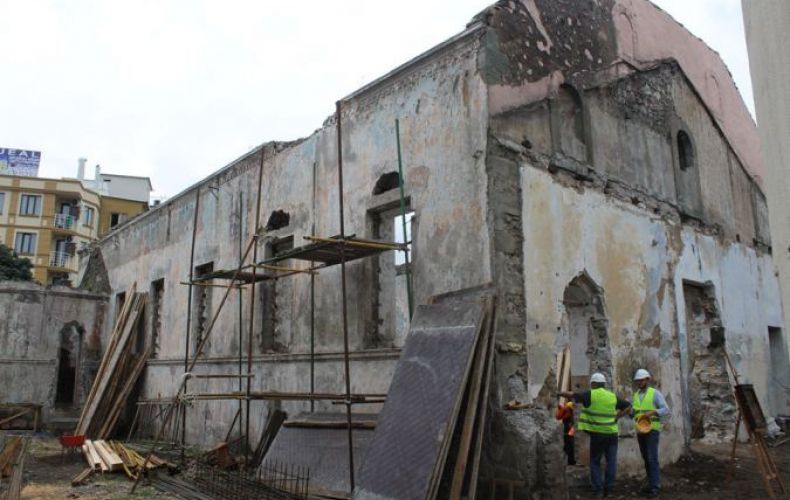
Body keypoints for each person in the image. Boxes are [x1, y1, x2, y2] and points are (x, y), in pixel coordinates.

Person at [560, 372, 630, 497]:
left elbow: (573, 395)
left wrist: (559, 393)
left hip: (598, 434)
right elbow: (628, 406)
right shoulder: (612, 396)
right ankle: (609, 491)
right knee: (611, 462)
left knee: (595, 462)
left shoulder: (591, 394)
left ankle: (598, 489)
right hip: (612, 434)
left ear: (593, 384)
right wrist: (617, 417)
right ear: (603, 384)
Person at [632, 368, 670, 498]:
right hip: (640, 430)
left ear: (647, 380)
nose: (639, 382)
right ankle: (650, 484)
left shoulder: (655, 393)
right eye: (638, 381)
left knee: (652, 458)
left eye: (642, 380)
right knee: (646, 459)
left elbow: (666, 409)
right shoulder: (636, 395)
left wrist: (653, 412)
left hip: (652, 430)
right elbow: (635, 412)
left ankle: (655, 487)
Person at [555, 399, 576, 465]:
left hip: (568, 431)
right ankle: (570, 461)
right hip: (568, 431)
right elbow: (560, 417)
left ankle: (569, 461)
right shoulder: (568, 410)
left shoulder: (567, 409)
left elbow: (559, 417)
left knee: (568, 446)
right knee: (569, 446)